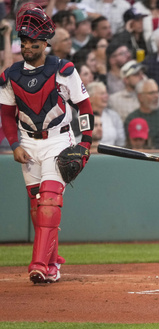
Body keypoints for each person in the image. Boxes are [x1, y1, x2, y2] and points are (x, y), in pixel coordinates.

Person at [0, 3, 94, 284]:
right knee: (36, 205)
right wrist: (15, 144)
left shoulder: (64, 69)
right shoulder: (10, 76)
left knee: (50, 202)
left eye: (32, 43)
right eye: (24, 42)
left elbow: (85, 107)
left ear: (44, 43)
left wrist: (86, 143)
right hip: (28, 144)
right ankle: (52, 261)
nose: (27, 47)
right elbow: (5, 114)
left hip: (59, 140)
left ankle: (40, 264)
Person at [125, 78, 159, 149]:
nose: (156, 96)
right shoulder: (132, 118)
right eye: (151, 93)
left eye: (157, 92)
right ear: (140, 97)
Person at [87, 81, 126, 146]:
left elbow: (121, 140)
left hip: (111, 154)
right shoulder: (81, 116)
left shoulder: (113, 116)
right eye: (102, 94)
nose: (106, 96)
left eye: (106, 93)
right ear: (90, 98)